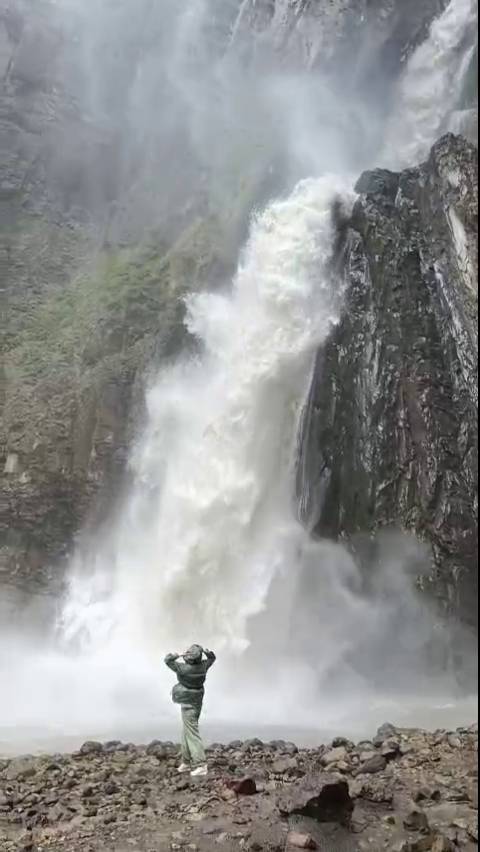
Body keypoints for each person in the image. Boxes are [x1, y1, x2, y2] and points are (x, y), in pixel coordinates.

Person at [165, 644, 216, 777]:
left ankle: (201, 764)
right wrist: (208, 653)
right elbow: (212, 659)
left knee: (192, 732)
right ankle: (187, 762)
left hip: (187, 702)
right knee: (187, 730)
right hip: (197, 700)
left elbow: (167, 660)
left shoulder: (182, 668)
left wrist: (177, 655)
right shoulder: (203, 666)